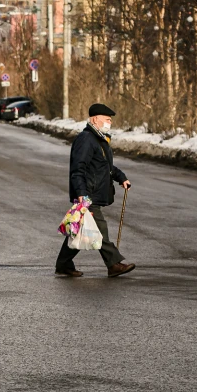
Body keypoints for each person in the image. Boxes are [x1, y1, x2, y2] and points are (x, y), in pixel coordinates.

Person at [55, 103, 136, 278]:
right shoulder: (86, 139)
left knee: (79, 230)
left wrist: (121, 177)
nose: (110, 123)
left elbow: (105, 166)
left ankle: (63, 264)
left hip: (93, 194)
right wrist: (82, 195)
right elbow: (78, 169)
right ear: (94, 119)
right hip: (88, 195)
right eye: (107, 120)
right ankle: (113, 264)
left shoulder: (100, 140)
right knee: (99, 231)